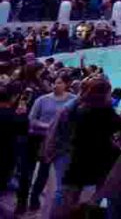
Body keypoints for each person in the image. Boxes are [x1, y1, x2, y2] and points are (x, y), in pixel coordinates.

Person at [60, 76, 121, 214]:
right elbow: (119, 124)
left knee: (74, 187)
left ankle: (71, 212)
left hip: (79, 153)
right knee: (104, 184)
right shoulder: (105, 110)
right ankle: (91, 208)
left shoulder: (81, 107)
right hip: (101, 153)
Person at [18, 71, 75, 213]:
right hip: (37, 138)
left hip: (55, 142)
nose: (56, 85)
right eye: (55, 82)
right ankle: (22, 203)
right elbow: (32, 119)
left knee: (43, 173)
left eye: (59, 82)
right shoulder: (42, 100)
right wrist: (49, 126)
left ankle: (34, 200)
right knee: (28, 171)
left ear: (67, 84)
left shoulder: (73, 100)